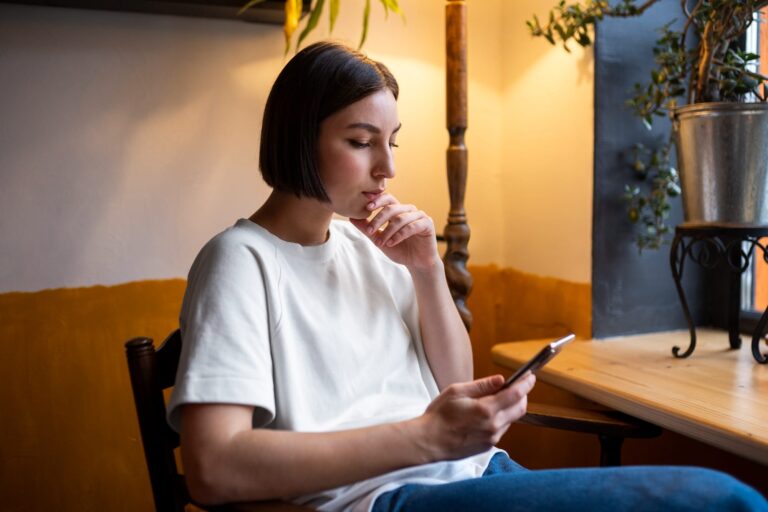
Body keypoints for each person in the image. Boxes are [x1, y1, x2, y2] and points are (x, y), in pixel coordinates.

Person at [167, 41, 768, 512]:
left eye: (392, 142)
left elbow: (452, 379)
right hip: (390, 499)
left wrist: (427, 270)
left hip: (474, 473)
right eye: (360, 141)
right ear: (300, 138)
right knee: (721, 500)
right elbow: (214, 468)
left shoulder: (369, 247)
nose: (388, 167)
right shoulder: (240, 262)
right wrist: (427, 439)